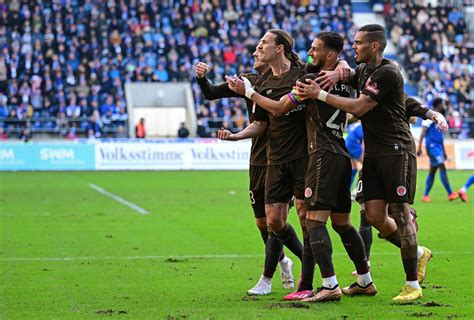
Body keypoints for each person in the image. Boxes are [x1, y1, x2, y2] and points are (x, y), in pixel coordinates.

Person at [231, 31, 375, 302]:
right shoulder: (347, 79)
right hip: (341, 153)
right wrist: (341, 68)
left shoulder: (309, 80)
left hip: (319, 155)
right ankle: (365, 279)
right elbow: (355, 100)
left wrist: (249, 92)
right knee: (342, 223)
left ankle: (327, 285)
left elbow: (280, 107)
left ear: (329, 55)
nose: (311, 53)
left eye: (316, 49)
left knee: (313, 222)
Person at [294, 24, 431, 302]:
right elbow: (343, 69)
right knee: (374, 216)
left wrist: (319, 94)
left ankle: (412, 285)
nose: (353, 46)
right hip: (372, 155)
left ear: (375, 46)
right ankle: (413, 255)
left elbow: (360, 106)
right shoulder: (364, 72)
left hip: (396, 150)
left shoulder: (388, 71)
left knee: (401, 213)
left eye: (358, 43)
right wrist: (340, 65)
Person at [195, 53, 295, 295]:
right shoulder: (247, 81)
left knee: (276, 221)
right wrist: (201, 79)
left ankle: (271, 278)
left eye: (262, 49)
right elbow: (211, 93)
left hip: (281, 159)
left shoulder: (289, 80)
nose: (255, 53)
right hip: (258, 159)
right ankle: (284, 261)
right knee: (263, 222)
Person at [418, 98, 459, 202]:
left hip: (438, 147)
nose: (444, 106)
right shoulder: (430, 116)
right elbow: (423, 132)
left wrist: (444, 152)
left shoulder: (441, 118)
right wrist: (419, 147)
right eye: (442, 104)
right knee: (442, 165)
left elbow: (440, 137)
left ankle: (425, 195)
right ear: (437, 106)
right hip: (431, 146)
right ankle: (450, 193)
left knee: (433, 170)